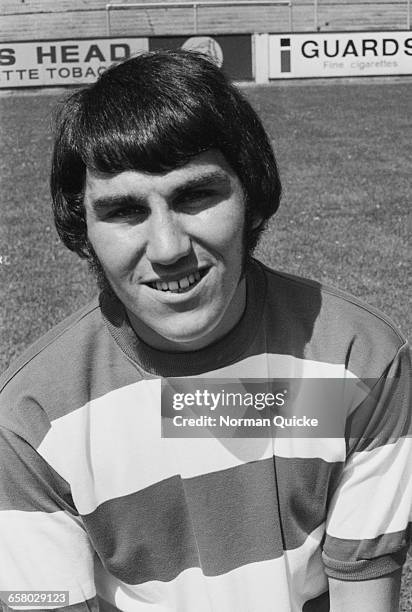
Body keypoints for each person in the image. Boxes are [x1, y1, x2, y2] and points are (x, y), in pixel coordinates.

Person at [0, 50, 410, 612]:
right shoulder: (31, 418)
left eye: (195, 196)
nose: (168, 248)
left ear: (251, 194)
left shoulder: (359, 360)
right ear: (82, 227)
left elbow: (364, 591)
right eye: (123, 211)